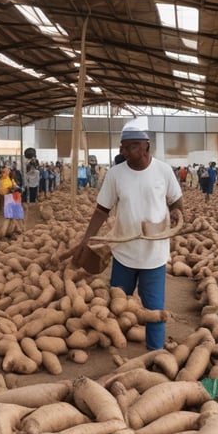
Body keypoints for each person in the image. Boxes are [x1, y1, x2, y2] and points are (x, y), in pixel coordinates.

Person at [72, 126, 183, 351]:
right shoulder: (116, 174)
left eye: (131, 146)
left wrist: (176, 213)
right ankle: (116, 347)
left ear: (145, 147)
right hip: (124, 252)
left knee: (153, 308)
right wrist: (87, 238)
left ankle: (156, 353)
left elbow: (176, 201)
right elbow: (102, 210)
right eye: (123, 147)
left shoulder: (163, 171)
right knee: (117, 305)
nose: (125, 151)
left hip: (154, 255)